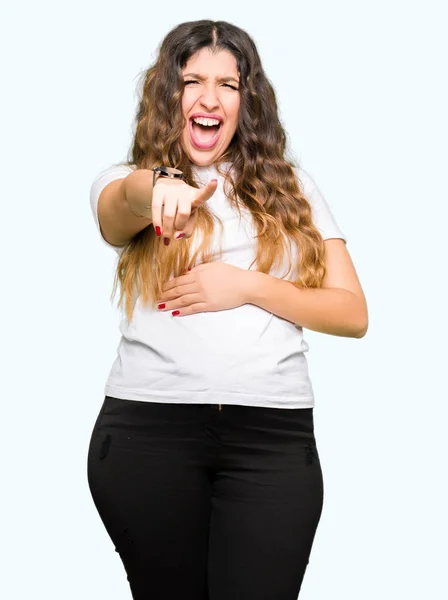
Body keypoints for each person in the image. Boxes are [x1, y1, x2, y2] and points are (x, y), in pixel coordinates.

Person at [87, 19, 368, 600]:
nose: (209, 98)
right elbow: (122, 207)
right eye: (192, 81)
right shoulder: (128, 181)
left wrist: (245, 285)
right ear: (169, 95)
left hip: (272, 438)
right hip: (149, 434)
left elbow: (352, 313)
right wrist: (161, 185)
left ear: (248, 102)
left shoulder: (294, 189)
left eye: (228, 85)